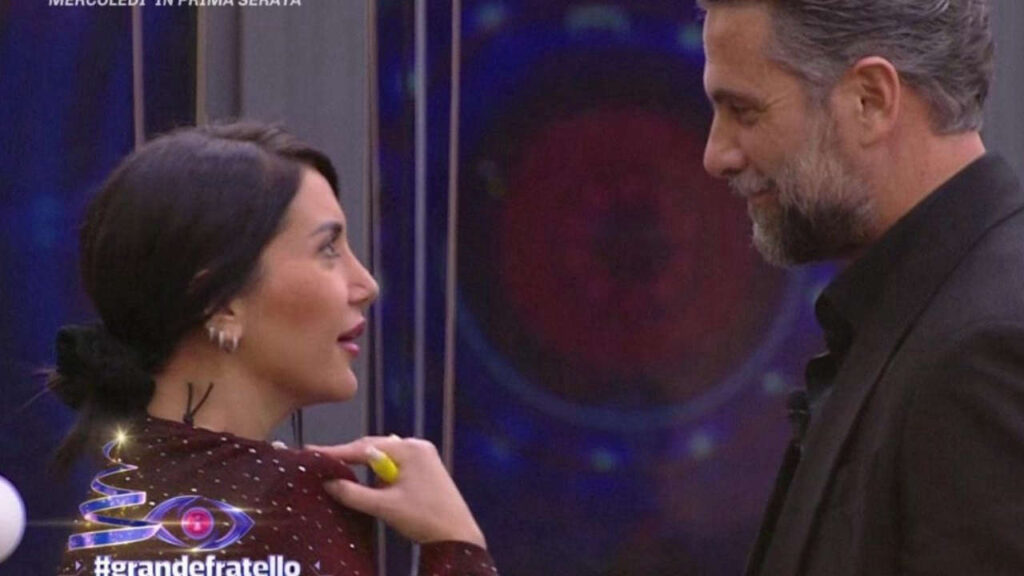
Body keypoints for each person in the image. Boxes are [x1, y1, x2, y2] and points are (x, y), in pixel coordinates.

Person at [51, 122, 497, 575]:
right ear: (220, 302)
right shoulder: (283, 504)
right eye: (328, 249)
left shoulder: (115, 502)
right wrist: (455, 542)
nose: (366, 285)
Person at [699, 1, 1024, 575]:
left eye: (744, 111)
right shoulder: (923, 316)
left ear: (871, 100)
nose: (716, 155)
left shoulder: (981, 348)